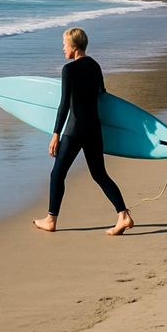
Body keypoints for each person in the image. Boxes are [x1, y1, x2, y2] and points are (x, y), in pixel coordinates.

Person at [33, 28, 133, 236]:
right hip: (94, 128)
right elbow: (101, 93)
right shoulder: (95, 66)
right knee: (99, 174)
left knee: (57, 173)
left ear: (74, 47)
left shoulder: (68, 70)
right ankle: (123, 215)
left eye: (64, 44)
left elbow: (64, 106)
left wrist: (55, 134)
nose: (63, 48)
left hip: (75, 129)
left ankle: (51, 219)